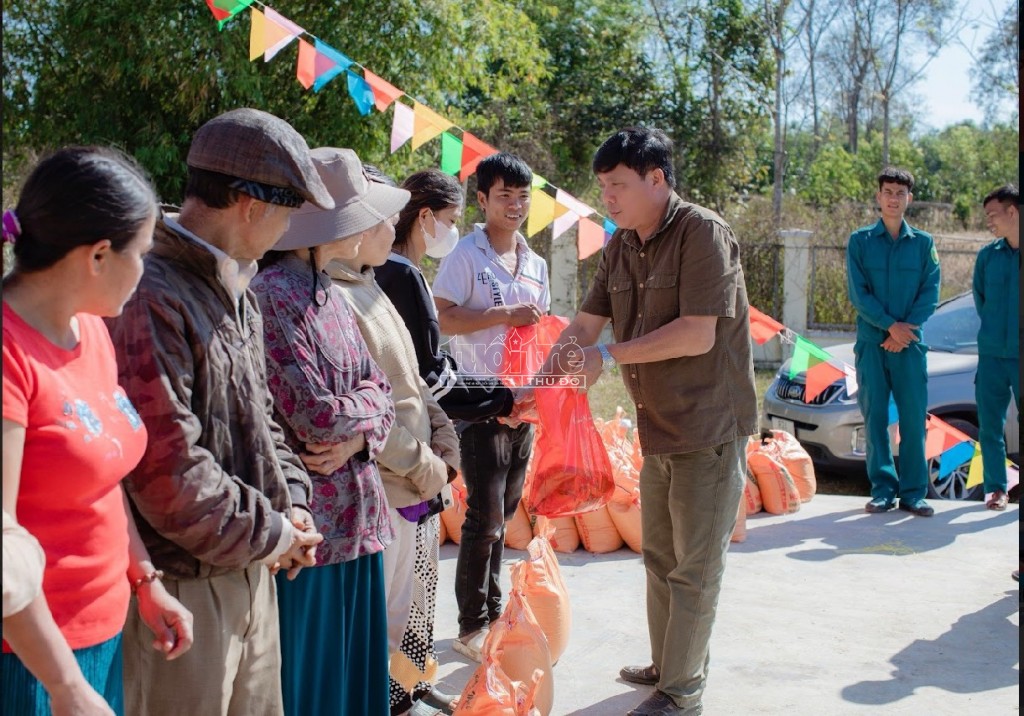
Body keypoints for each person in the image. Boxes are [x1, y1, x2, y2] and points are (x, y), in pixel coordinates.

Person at [105, 109, 327, 715]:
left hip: (253, 566)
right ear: (251, 206)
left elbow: (265, 421)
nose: (287, 231)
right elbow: (166, 471)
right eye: (286, 212)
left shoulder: (236, 286)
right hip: (181, 587)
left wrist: (296, 506)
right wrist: (277, 531)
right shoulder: (149, 292)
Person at [540, 127, 757, 716]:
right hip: (657, 424)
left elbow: (697, 331)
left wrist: (607, 357)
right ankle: (669, 665)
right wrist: (540, 384)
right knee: (659, 557)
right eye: (603, 187)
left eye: (618, 185)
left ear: (657, 180)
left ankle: (681, 694)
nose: (607, 198)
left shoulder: (701, 233)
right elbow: (584, 326)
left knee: (695, 566)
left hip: (708, 425)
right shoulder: (621, 245)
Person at [2, 147, 194, 715]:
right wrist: (64, 687)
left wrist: (143, 578)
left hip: (101, 633)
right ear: (98, 255)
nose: (147, 270)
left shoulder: (89, 329)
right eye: (144, 253)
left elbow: (100, 471)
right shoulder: (10, 354)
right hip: (29, 655)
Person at [251, 147, 398, 716]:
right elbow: (314, 417)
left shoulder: (332, 295)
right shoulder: (272, 297)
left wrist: (361, 435)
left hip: (360, 519)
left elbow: (379, 391)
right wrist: (366, 411)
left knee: (357, 679)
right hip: (313, 529)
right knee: (316, 686)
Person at [324, 156, 460, 716]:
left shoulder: (371, 285)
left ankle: (405, 692)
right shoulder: (335, 296)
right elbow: (365, 413)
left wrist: (445, 441)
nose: (393, 230)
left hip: (416, 479)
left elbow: (410, 385)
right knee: (377, 627)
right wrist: (429, 466)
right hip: (388, 486)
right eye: (384, 219)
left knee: (409, 618)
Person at [431, 152, 550, 662]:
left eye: (523, 197)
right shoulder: (464, 255)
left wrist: (544, 394)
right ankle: (470, 625)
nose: (516, 205)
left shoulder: (537, 262)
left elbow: (541, 331)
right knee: (483, 517)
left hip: (522, 404)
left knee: (503, 514)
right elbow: (443, 320)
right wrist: (503, 313)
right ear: (482, 200)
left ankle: (494, 610)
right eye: (505, 195)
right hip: (478, 399)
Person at [375, 169, 518, 425]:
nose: (454, 231)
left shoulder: (387, 267)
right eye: (451, 221)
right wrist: (503, 399)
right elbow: (428, 373)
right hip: (402, 421)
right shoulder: (405, 276)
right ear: (425, 215)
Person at [847, 167, 941, 517]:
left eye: (900, 193)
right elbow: (859, 294)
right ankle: (883, 490)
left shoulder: (924, 244)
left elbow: (930, 292)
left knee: (914, 421)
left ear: (909, 199)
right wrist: (889, 327)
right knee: (874, 420)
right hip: (872, 345)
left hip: (910, 347)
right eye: (887, 191)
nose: (893, 198)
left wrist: (905, 332)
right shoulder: (860, 241)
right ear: (878, 196)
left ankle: (914, 493)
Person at [972, 185, 1019, 516]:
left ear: (1013, 212)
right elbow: (981, 300)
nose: (989, 221)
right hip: (991, 356)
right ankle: (996, 489)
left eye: (993, 215)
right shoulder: (988, 256)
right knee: (989, 426)